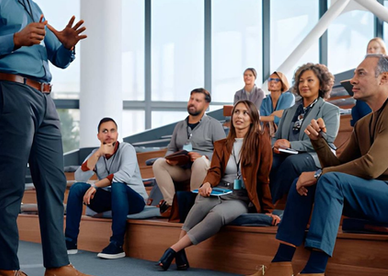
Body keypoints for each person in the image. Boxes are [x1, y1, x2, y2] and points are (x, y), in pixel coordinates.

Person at [247, 54, 388, 276]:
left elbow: (370, 167)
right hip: (382, 194)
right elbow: (338, 164)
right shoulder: (364, 123)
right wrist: (319, 142)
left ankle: (314, 270)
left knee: (324, 179)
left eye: (361, 73)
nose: (353, 80)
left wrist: (318, 174)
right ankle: (280, 264)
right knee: (308, 181)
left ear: (384, 78)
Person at [0, 0, 90, 275]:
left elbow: (59, 56)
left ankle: (58, 266)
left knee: (53, 183)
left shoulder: (34, 7)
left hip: (45, 100)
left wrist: (66, 46)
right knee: (8, 185)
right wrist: (15, 39)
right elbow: (19, 41)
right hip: (12, 93)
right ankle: (6, 268)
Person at [156, 100, 280, 271]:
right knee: (200, 205)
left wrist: (268, 210)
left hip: (240, 197)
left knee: (217, 215)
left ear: (252, 118)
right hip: (218, 189)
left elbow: (262, 178)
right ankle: (179, 252)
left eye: (245, 113)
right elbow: (214, 170)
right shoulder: (222, 144)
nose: (239, 116)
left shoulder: (261, 142)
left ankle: (173, 250)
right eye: (237, 112)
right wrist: (207, 183)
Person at [64, 118, 148, 260]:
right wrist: (97, 155)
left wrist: (95, 185)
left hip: (134, 200)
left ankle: (116, 244)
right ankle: (69, 241)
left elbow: (123, 176)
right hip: (112, 199)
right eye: (104, 131)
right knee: (77, 188)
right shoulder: (96, 153)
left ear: (117, 134)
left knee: (118, 184)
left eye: (112, 130)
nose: (109, 134)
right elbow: (79, 177)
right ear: (98, 136)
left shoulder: (127, 149)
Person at [270, 63, 339, 203]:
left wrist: (290, 144)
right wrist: (275, 145)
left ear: (321, 85)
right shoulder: (289, 111)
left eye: (310, 80)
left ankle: (268, 204)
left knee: (292, 162)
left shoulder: (330, 110)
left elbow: (326, 140)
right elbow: (276, 138)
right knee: (268, 160)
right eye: (301, 81)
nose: (304, 84)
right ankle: (251, 199)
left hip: (317, 156)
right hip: (287, 154)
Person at [153, 88, 226, 217]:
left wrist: (203, 156)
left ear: (206, 105)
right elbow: (171, 147)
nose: (192, 102)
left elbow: (222, 152)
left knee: (199, 162)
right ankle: (171, 204)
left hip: (204, 166)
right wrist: (171, 158)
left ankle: (195, 204)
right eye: (191, 99)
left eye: (197, 100)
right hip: (183, 168)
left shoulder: (214, 125)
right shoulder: (180, 126)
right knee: (158, 163)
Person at [351, 37, 388, 126]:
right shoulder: (362, 67)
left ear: (382, 50)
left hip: (381, 96)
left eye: (375, 48)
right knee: (356, 108)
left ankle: (371, 127)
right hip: (366, 97)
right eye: (369, 48)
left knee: (362, 103)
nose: (371, 50)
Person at [259, 71, 295, 135]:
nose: (272, 82)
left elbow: (282, 119)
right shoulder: (264, 101)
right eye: (270, 79)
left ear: (282, 83)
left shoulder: (289, 97)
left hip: (287, 135)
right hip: (268, 135)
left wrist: (260, 118)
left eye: (276, 80)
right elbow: (262, 124)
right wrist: (273, 115)